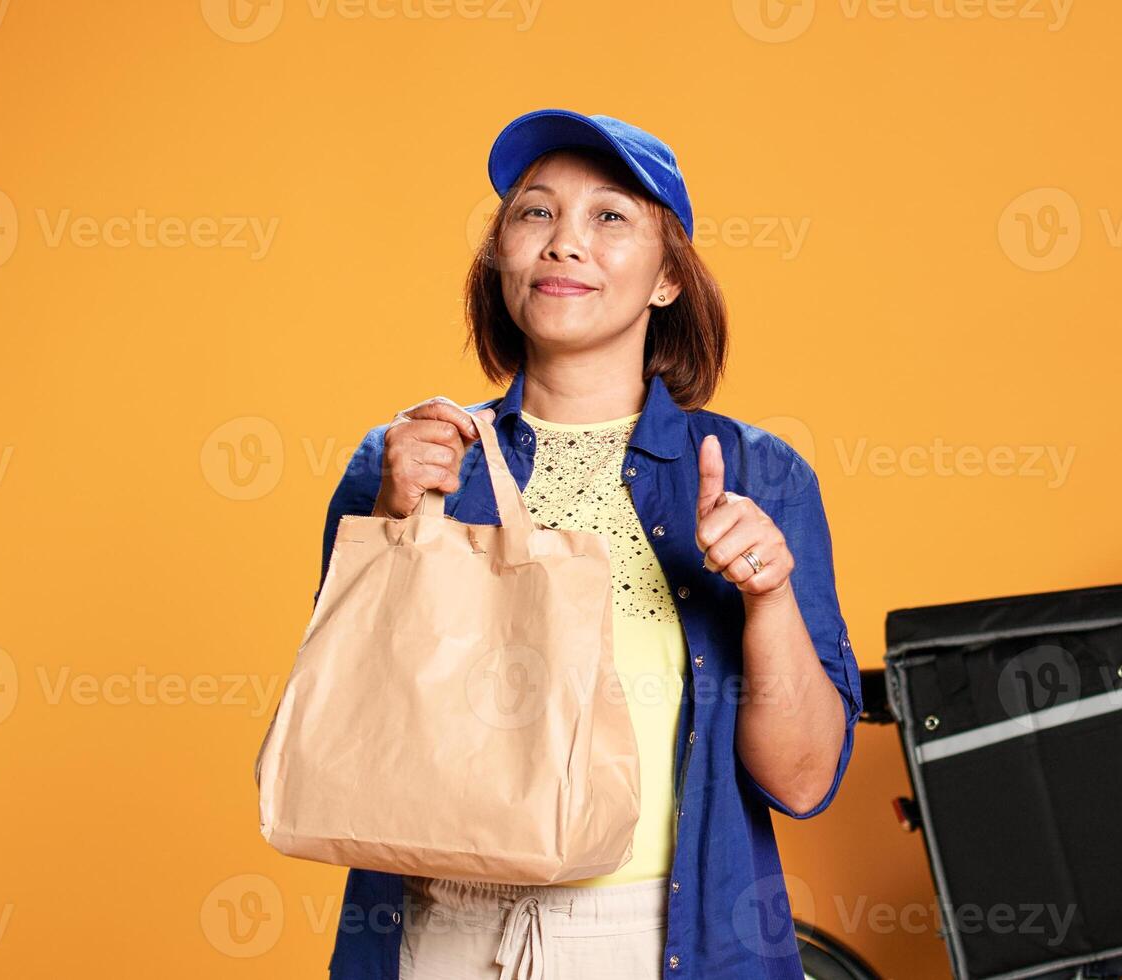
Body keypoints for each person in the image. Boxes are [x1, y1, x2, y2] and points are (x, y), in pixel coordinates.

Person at [316, 109, 862, 980]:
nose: (564, 242)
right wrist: (391, 522)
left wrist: (767, 597)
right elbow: (344, 727)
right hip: (444, 933)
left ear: (668, 280)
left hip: (660, 940)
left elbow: (799, 782)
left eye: (610, 217)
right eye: (534, 213)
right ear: (501, 258)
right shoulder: (412, 461)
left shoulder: (764, 473)